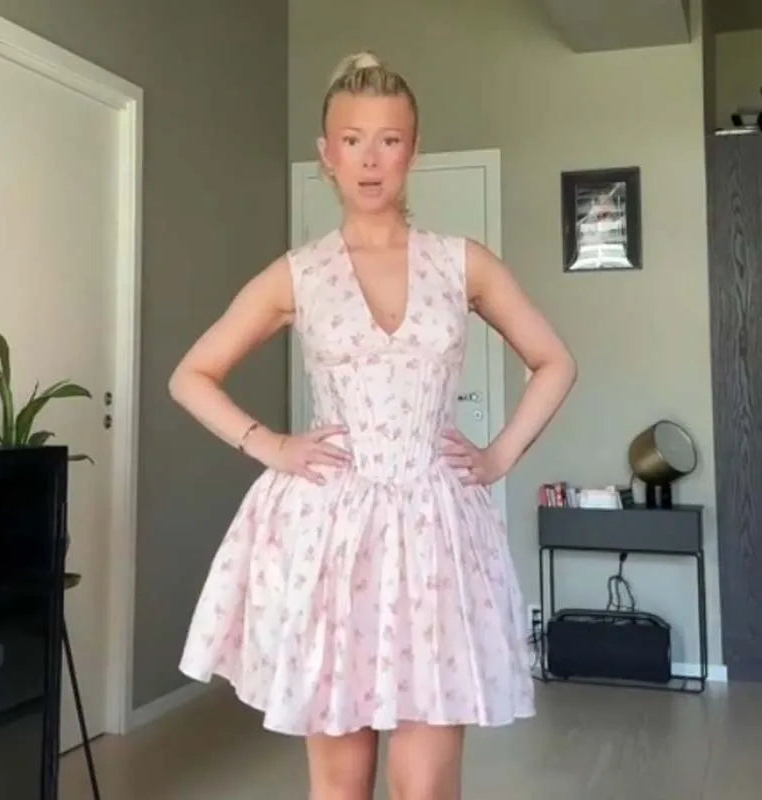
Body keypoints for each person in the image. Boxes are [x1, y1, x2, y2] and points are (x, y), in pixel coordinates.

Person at [169, 50, 576, 800]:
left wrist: (498, 457)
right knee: (342, 784)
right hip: (329, 536)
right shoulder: (298, 273)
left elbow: (554, 360)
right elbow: (190, 374)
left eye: (389, 139)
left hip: (434, 535)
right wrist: (272, 446)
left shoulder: (463, 264)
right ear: (326, 155)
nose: (370, 157)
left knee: (425, 787)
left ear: (413, 151)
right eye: (351, 138)